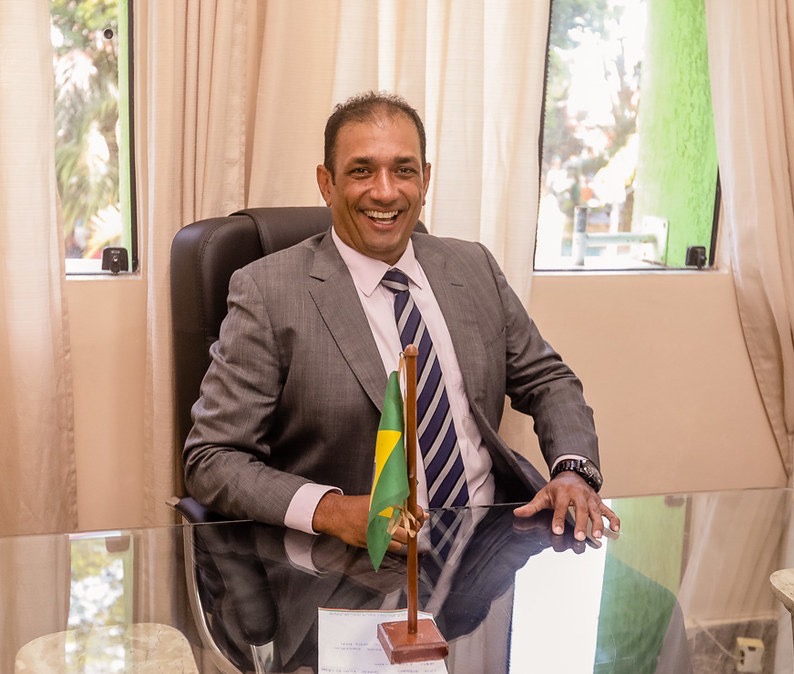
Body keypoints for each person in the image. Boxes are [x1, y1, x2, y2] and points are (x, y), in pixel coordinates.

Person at [183, 91, 620, 553]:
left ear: (425, 180)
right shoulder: (268, 292)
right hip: (350, 564)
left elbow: (549, 380)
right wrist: (331, 510)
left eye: (404, 170)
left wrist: (572, 470)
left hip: (488, 550)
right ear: (327, 183)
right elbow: (211, 457)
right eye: (362, 170)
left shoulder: (473, 266)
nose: (386, 191)